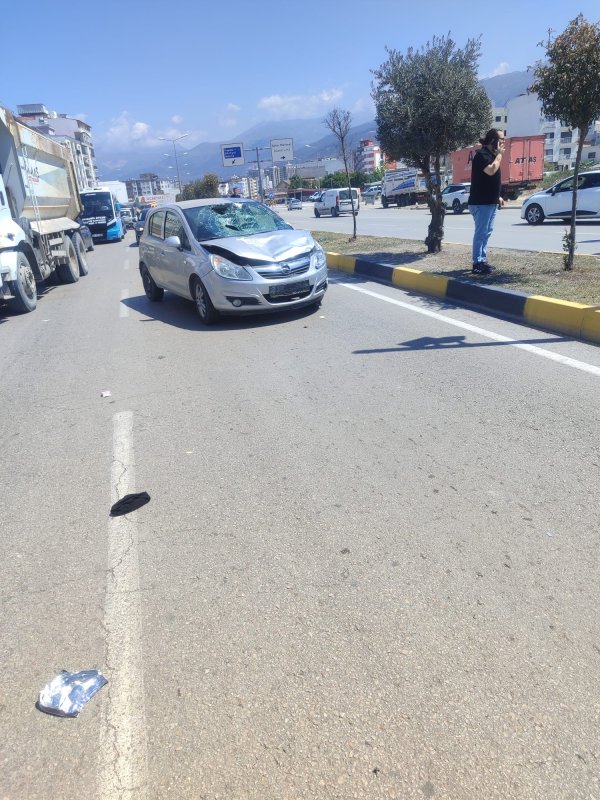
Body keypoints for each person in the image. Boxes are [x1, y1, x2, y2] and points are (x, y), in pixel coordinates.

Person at [468, 128, 506, 274]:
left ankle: (482, 260)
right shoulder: (482, 155)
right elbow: (491, 170)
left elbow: (490, 180)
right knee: (481, 232)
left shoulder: (491, 155)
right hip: (480, 203)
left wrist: (498, 197)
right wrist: (500, 156)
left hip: (490, 202)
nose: (503, 142)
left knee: (487, 232)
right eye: (501, 140)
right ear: (493, 141)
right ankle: (477, 263)